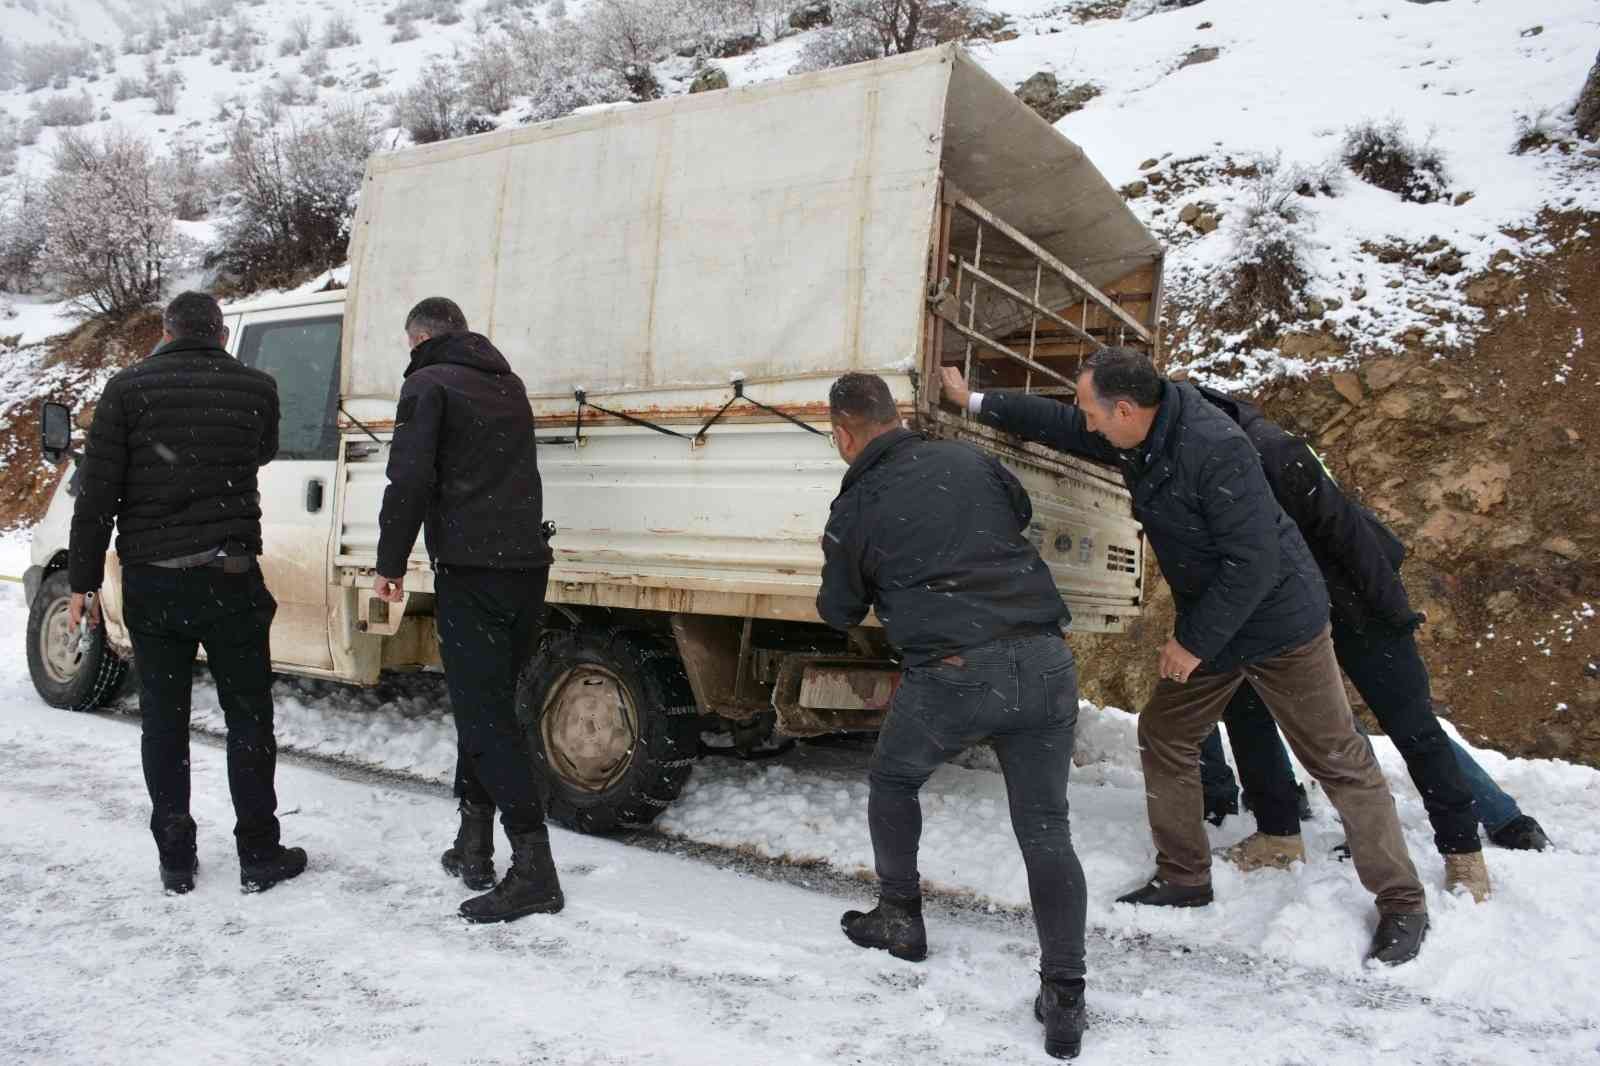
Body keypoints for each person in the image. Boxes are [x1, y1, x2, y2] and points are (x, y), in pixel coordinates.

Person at [942, 350, 1430, 965]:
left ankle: (1403, 903)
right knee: (1167, 732)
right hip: (1218, 622)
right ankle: (1184, 877)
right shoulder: (1139, 431)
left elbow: (1254, 563)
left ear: (1125, 409)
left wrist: (1193, 644)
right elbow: (1067, 427)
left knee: (1339, 759)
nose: (1088, 424)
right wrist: (977, 403)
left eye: (1095, 412)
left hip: (1282, 626)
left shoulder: (1213, 448)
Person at [1184, 385, 1550, 898]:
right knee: (1276, 713)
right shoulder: (1222, 456)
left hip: (1356, 605)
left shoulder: (1271, 452)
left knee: (1408, 721)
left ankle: (1473, 844)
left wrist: (1391, 616)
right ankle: (1284, 829)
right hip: (1290, 611)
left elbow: (1349, 535)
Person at [817, 372, 1089, 1059]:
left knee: (894, 780)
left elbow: (840, 612)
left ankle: (900, 918)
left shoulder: (855, 506)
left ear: (843, 434)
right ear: (896, 415)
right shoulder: (965, 458)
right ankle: (1065, 993)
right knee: (1046, 826)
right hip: (1046, 660)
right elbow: (1018, 511)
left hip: (956, 672)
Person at [67, 290, 306, 895]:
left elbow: (96, 495)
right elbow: (264, 451)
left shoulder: (127, 389)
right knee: (249, 716)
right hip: (230, 579)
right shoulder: (256, 386)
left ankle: (176, 858)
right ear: (222, 334)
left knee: (164, 723)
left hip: (154, 581)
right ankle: (258, 852)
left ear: (166, 332)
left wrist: (83, 582)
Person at [374, 296, 560, 924]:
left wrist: (390, 566)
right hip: (525, 567)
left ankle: (534, 868)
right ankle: (473, 844)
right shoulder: (507, 383)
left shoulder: (427, 384)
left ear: (419, 337)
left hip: (472, 571)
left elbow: (408, 481)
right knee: (490, 709)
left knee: (484, 721)